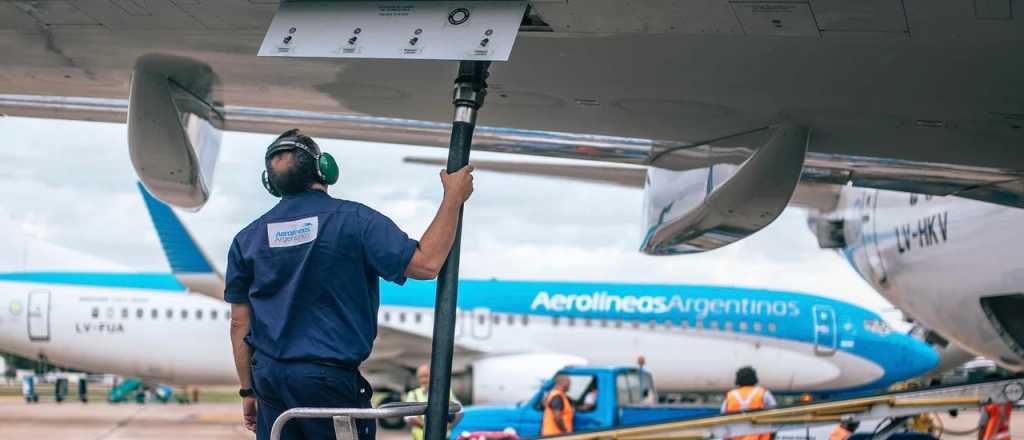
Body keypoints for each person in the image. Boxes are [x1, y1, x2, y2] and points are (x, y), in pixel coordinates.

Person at [226, 128, 475, 440]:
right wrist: (454, 197)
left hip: (270, 383)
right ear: (325, 169)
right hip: (327, 381)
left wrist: (248, 391)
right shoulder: (355, 221)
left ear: (270, 184)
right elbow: (426, 264)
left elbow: (239, 323)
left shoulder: (246, 239)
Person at [404, 363, 463, 440]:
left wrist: (448, 426)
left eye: (426, 376)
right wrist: (432, 429)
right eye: (421, 377)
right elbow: (409, 418)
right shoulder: (413, 394)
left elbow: (460, 411)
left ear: (433, 376)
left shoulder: (446, 392)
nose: (424, 380)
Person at [721, 366, 777, 440]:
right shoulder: (764, 393)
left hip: (736, 436)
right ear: (754, 378)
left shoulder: (730, 395)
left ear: (738, 379)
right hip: (760, 436)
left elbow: (723, 417)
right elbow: (775, 414)